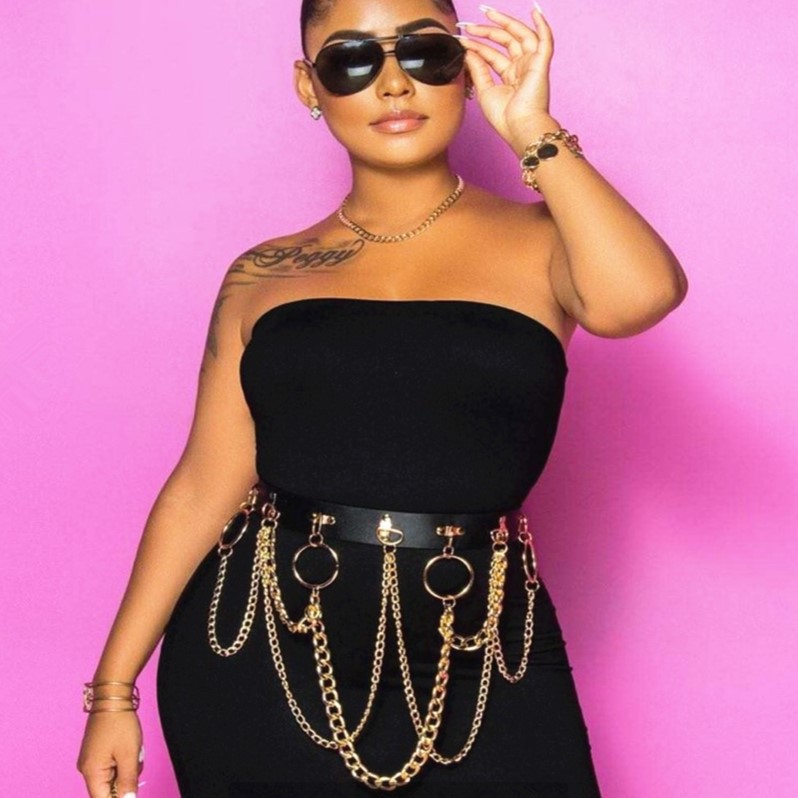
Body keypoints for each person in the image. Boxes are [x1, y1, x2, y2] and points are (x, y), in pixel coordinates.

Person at [77, 0, 687, 795]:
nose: (394, 84)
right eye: (351, 60)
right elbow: (202, 486)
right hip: (262, 652)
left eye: (426, 53)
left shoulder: (549, 240)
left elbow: (640, 297)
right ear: (310, 86)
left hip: (483, 647)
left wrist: (532, 128)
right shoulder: (265, 273)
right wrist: (113, 690)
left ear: (465, 69)